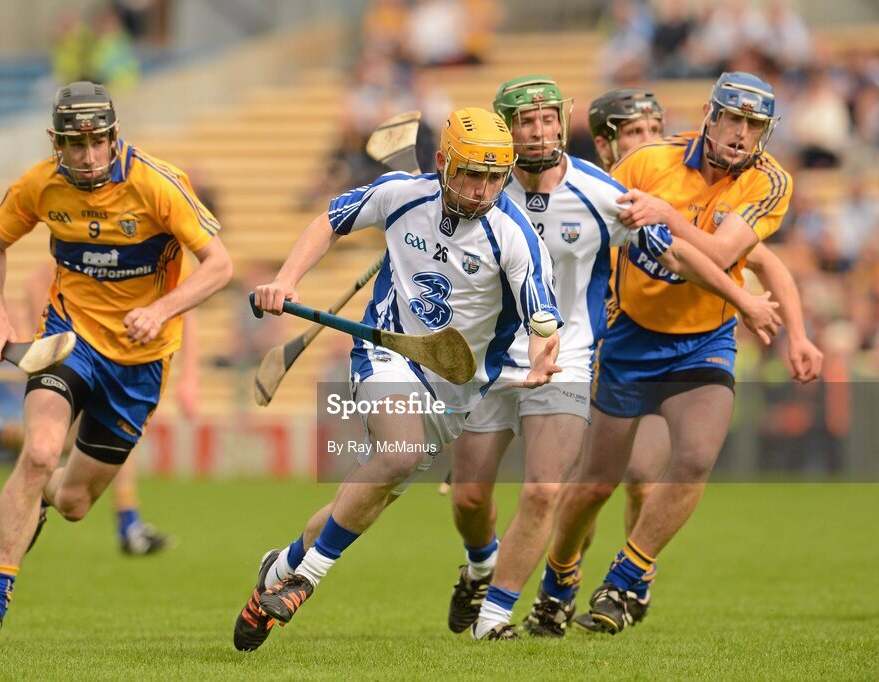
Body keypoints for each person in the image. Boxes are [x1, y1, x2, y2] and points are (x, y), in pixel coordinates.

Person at [444, 77, 782, 640]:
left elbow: (688, 253)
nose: (540, 130)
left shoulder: (599, 190)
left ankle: (522, 609)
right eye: (526, 122)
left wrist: (746, 300)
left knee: (567, 485)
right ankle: (486, 566)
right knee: (482, 495)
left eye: (549, 119)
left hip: (586, 355)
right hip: (512, 360)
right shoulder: (481, 191)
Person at [233, 106, 565, 652]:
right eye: (470, 174)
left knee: (374, 490)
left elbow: (543, 322)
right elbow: (330, 221)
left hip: (458, 386)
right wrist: (286, 280)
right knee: (399, 453)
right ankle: (304, 582)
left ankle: (284, 563)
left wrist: (539, 359)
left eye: (493, 177)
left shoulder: (515, 236)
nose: (482, 190)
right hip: (385, 350)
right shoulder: (400, 194)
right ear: (441, 164)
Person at [0, 81, 232, 644]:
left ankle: (39, 500)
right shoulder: (40, 184)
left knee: (76, 501)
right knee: (38, 452)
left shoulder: (157, 184)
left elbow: (219, 265)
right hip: (68, 341)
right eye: (73, 144)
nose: (86, 157)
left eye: (97, 142)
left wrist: (161, 309)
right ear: (56, 143)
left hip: (140, 363)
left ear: (113, 137)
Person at [538, 72, 793, 635]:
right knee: (597, 483)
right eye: (734, 119)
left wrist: (665, 214)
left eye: (755, 125)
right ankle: (557, 581)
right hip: (631, 338)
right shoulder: (647, 163)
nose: (742, 133)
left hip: (705, 341)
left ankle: (628, 577)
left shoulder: (770, 183)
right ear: (711, 113)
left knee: (696, 457)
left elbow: (724, 252)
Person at [0, 261, 200, 555]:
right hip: (80, 358)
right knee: (82, 438)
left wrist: (189, 377)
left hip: (121, 357)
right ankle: (128, 524)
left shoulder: (167, 251)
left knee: (74, 442)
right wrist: (43, 347)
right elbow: (37, 285)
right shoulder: (74, 255)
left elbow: (187, 314)